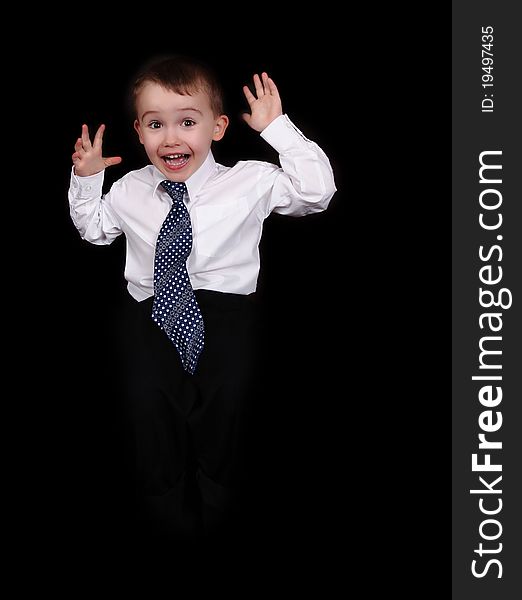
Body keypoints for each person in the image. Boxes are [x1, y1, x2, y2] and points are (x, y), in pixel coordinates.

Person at [68, 55, 336, 540]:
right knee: (146, 404)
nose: (171, 138)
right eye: (156, 125)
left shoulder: (248, 180)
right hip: (149, 313)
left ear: (218, 127)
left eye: (188, 122)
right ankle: (163, 508)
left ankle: (221, 499)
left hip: (226, 310)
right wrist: (87, 179)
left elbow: (317, 192)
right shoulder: (130, 188)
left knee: (229, 401)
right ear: (139, 131)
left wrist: (279, 130)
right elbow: (94, 231)